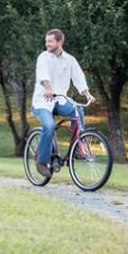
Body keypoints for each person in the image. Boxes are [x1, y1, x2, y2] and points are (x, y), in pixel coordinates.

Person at [31, 29, 94, 177]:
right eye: (46, 41)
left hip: (59, 100)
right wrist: (49, 89)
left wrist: (87, 94)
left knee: (77, 110)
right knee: (49, 126)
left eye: (50, 41)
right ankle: (42, 161)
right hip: (42, 101)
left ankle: (77, 147)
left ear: (59, 42)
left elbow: (78, 77)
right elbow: (43, 76)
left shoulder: (69, 60)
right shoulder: (43, 57)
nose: (47, 44)